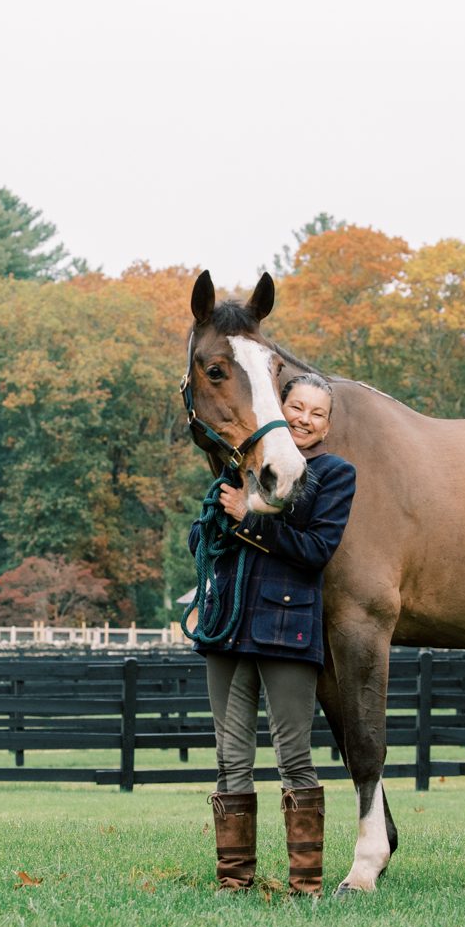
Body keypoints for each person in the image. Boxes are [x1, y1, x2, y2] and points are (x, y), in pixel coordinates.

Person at [186, 372, 355, 897]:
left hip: (286, 629)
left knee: (294, 756)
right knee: (230, 757)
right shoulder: (243, 463)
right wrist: (217, 519)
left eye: (317, 413)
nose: (305, 419)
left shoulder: (334, 474)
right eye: (297, 407)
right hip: (227, 627)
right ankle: (234, 880)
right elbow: (200, 538)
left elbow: (316, 551)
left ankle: (305, 883)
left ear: (327, 425)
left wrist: (249, 517)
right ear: (280, 408)